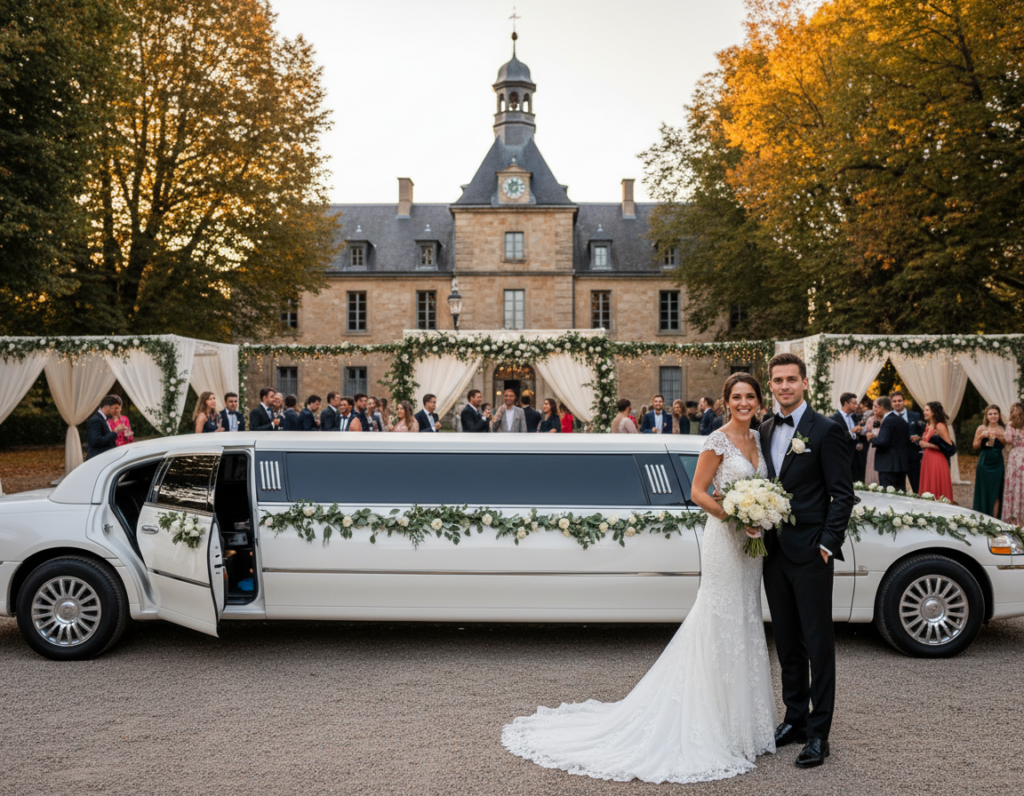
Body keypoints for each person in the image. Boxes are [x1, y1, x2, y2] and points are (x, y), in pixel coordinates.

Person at [503, 373, 777, 783]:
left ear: (759, 401)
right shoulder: (716, 440)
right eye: (736, 397)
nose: (743, 402)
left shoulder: (760, 439)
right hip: (725, 540)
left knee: (745, 617)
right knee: (718, 618)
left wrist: (759, 517)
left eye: (750, 396)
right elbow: (698, 492)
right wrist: (735, 515)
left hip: (751, 549)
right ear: (725, 401)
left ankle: (745, 724)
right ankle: (715, 720)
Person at [759, 354, 853, 768]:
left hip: (812, 553)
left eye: (790, 380)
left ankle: (819, 733)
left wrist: (826, 545)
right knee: (786, 643)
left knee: (818, 645)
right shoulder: (764, 429)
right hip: (773, 553)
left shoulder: (826, 430)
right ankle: (794, 718)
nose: (784, 386)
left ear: (804, 382)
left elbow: (842, 494)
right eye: (777, 380)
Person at [918, 402, 955, 502]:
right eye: (924, 410)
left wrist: (927, 445)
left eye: (927, 410)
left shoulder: (940, 426)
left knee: (935, 484)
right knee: (928, 485)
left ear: (933, 412)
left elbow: (948, 446)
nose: (924, 412)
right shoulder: (928, 425)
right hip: (927, 458)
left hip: (937, 459)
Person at [871, 395, 910, 490]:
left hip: (888, 465)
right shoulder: (901, 420)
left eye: (877, 407)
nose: (875, 410)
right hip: (900, 464)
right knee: (900, 493)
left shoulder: (887, 420)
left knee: (888, 495)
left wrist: (871, 439)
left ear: (882, 407)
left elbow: (883, 442)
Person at [891, 392, 923, 493]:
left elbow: (924, 433)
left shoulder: (915, 416)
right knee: (899, 488)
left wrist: (919, 438)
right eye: (894, 401)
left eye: (899, 400)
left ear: (904, 401)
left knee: (917, 485)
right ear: (891, 403)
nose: (897, 403)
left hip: (913, 456)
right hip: (896, 458)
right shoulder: (888, 417)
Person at [830, 392, 864, 483]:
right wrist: (851, 432)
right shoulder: (834, 419)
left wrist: (858, 443)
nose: (856, 405)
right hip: (842, 458)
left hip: (856, 459)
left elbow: (857, 436)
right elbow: (835, 437)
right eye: (854, 403)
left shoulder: (856, 417)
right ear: (846, 403)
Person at [1003, 404, 1024, 526]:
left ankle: (1015, 518)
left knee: (1015, 485)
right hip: (1018, 456)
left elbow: (1009, 440)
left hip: (1016, 456)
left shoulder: (1010, 425)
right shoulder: (1012, 425)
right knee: (1018, 485)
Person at [86, 395, 122, 460]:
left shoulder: (102, 419)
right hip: (97, 461)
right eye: (115, 408)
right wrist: (114, 433)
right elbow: (96, 441)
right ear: (107, 407)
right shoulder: (96, 420)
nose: (117, 411)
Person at [861, 399, 880, 486]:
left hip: (881, 445)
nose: (875, 408)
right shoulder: (870, 419)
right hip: (872, 446)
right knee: (871, 465)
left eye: (877, 406)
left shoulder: (885, 419)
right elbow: (862, 432)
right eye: (873, 406)